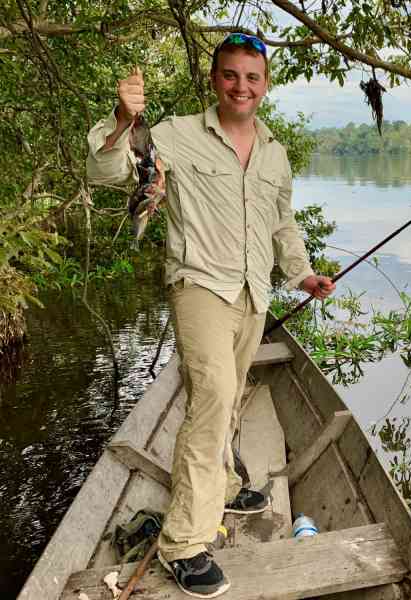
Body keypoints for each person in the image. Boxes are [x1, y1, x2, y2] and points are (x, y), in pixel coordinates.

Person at [86, 33, 335, 598]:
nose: (241, 87)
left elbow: (282, 225)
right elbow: (109, 174)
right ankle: (182, 543)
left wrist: (302, 274)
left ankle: (221, 483)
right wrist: (123, 121)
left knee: (231, 393)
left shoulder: (274, 151)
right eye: (230, 75)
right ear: (214, 79)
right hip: (199, 284)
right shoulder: (173, 134)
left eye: (252, 77)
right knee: (215, 395)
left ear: (265, 85)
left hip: (253, 293)